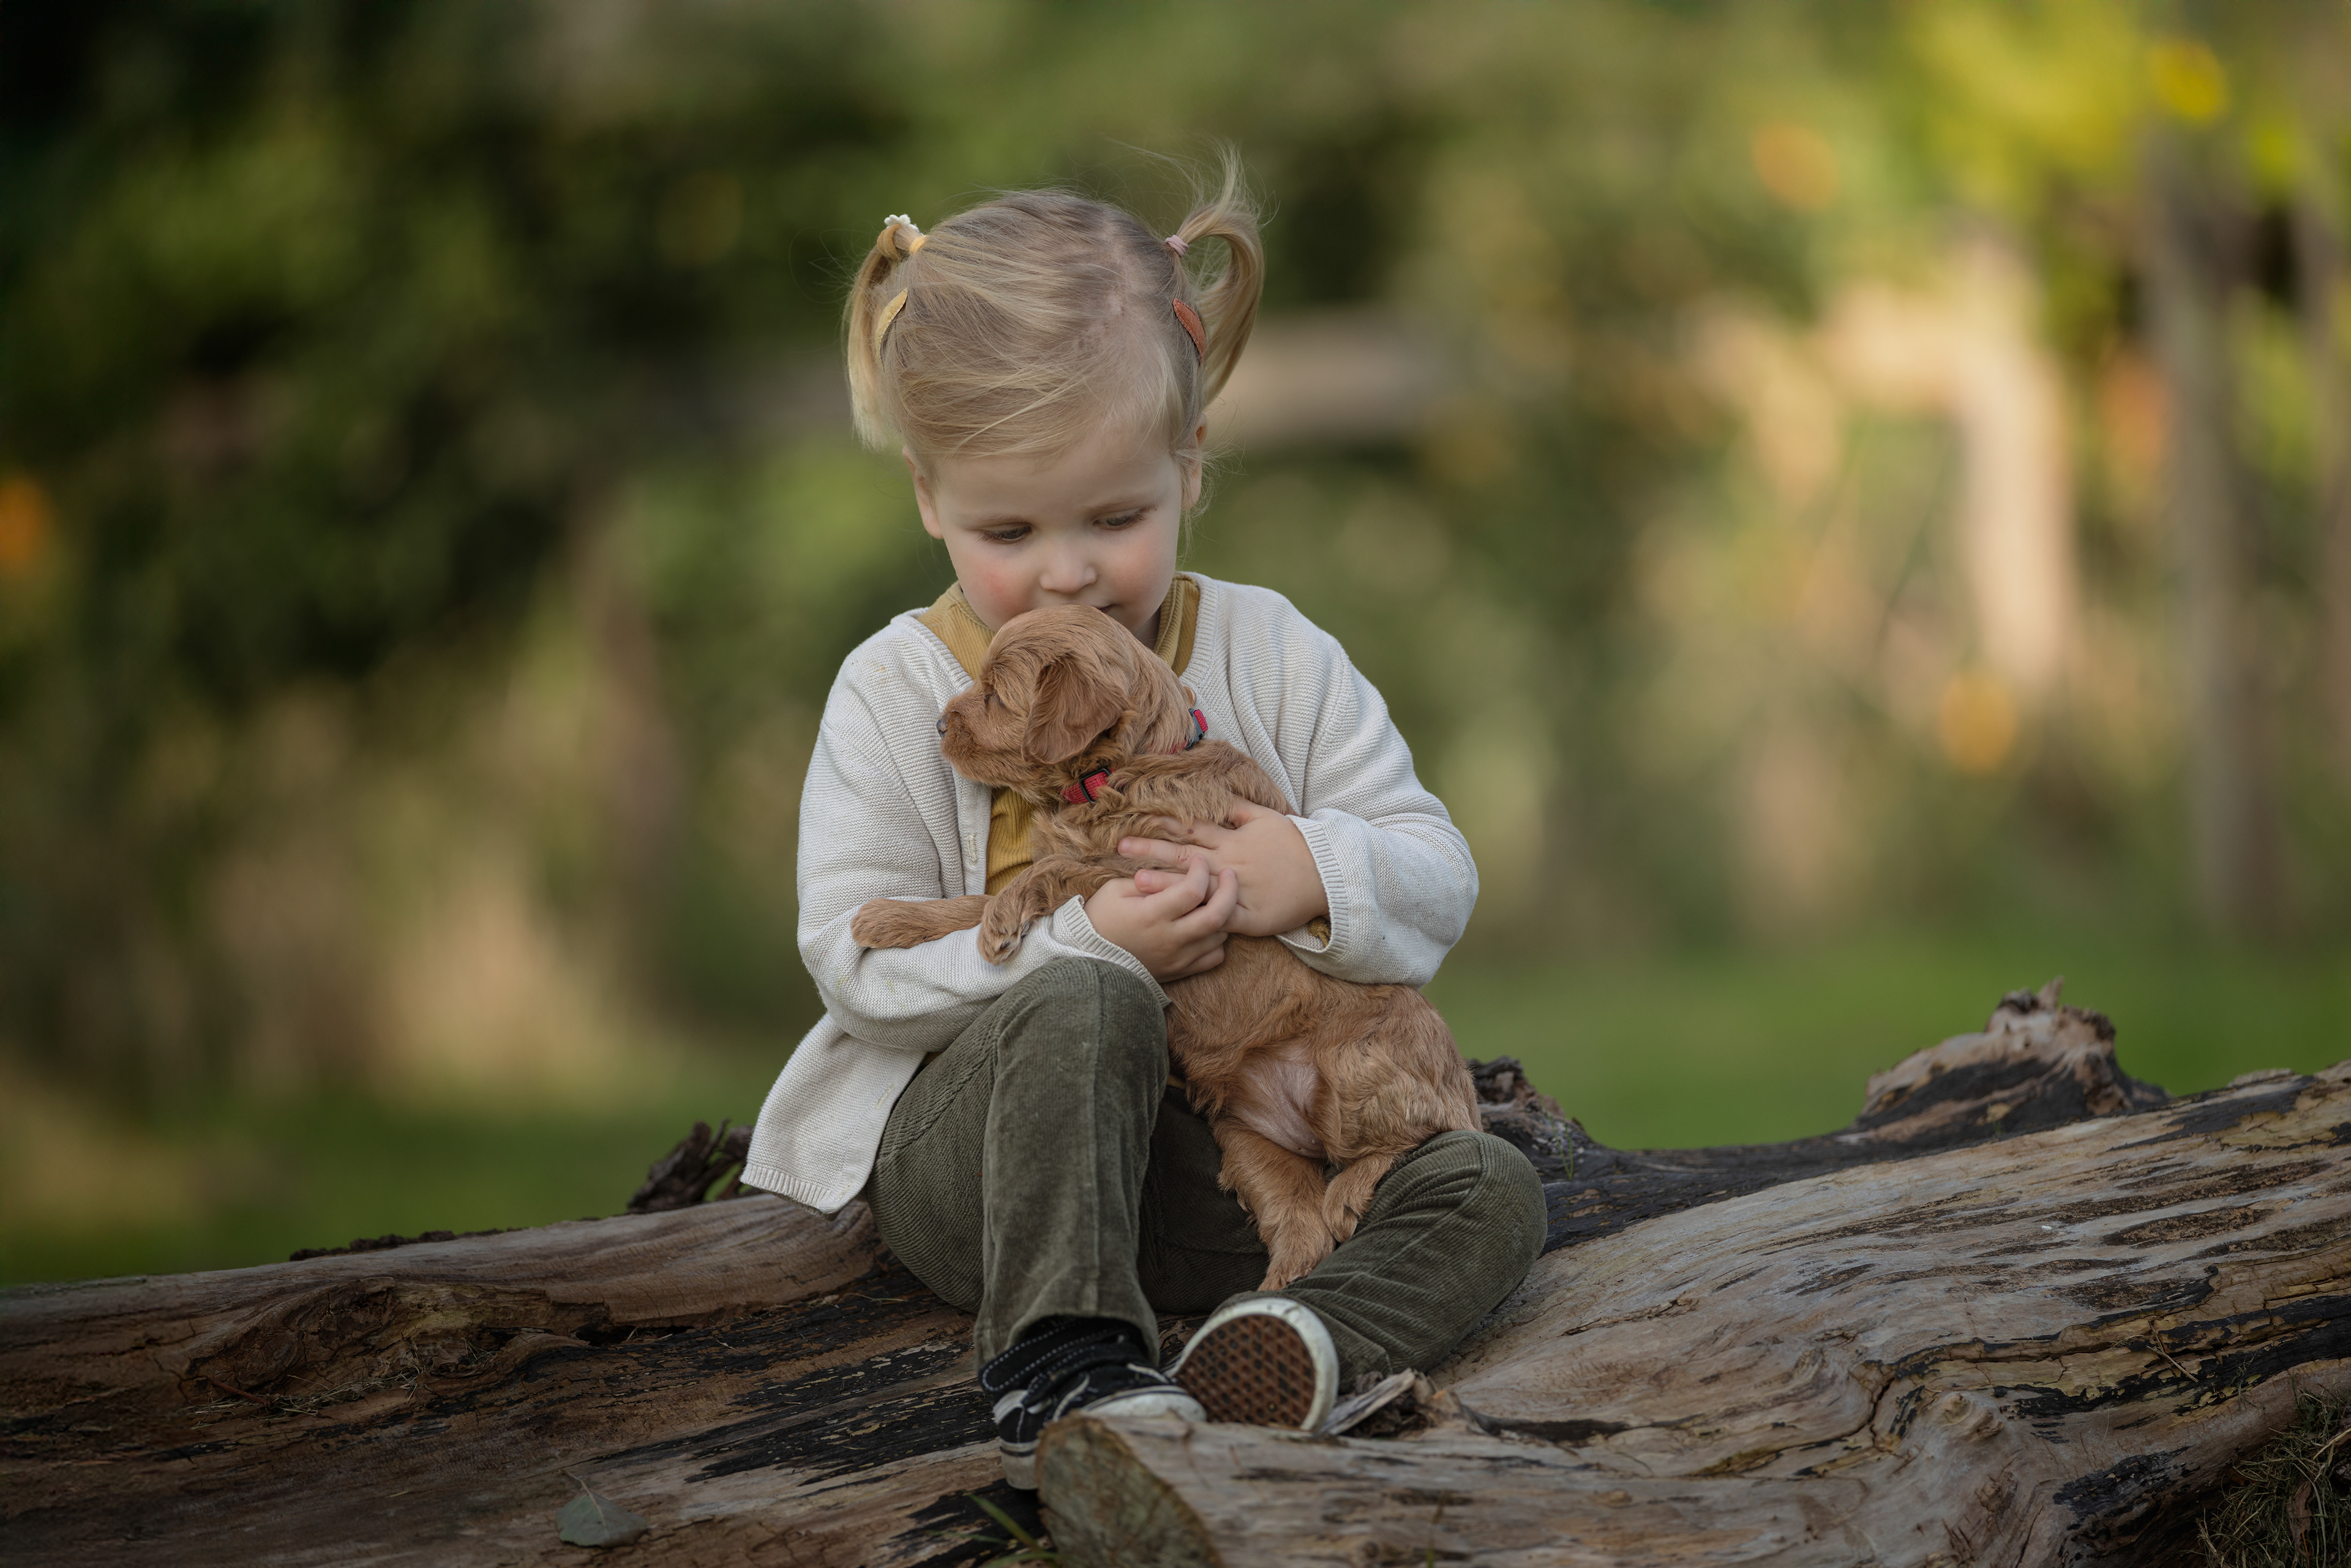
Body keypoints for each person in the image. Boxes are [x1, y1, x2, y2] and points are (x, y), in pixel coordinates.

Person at [741, 162, 1547, 1490]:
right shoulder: (895, 689)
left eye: (1116, 518)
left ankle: (1291, 1345)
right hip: (979, 1174)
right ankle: (1064, 1360)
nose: (1067, 571)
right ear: (929, 498)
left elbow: (1436, 871)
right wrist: (1094, 944)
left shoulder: (1271, 652)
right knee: (1089, 997)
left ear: (1190, 464)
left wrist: (1308, 869)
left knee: (1488, 1184)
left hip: (1213, 1165)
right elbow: (854, 964)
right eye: (1009, 528)